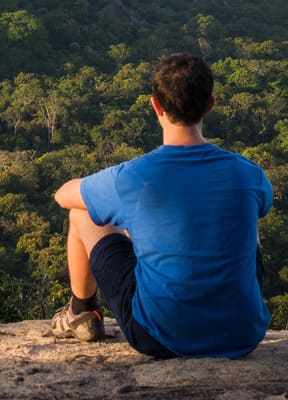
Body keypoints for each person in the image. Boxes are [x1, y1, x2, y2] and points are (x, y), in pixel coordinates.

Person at [50, 52, 272, 358]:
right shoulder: (248, 173)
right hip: (241, 334)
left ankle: (82, 312)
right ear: (210, 104)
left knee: (81, 212)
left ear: (156, 106)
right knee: (243, 214)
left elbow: (63, 195)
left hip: (158, 335)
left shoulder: (134, 177)